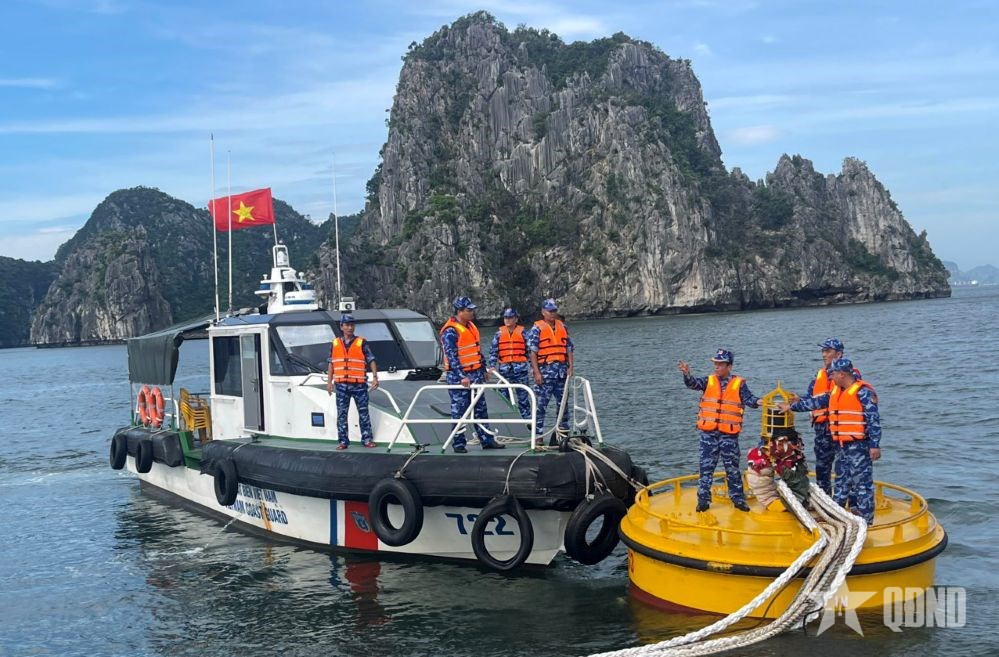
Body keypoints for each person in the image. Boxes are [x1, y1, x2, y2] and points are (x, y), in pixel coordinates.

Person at [780, 358, 882, 525]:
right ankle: (836, 517)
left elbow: (874, 421)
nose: (830, 377)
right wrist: (791, 407)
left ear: (842, 375)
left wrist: (874, 445)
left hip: (859, 446)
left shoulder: (863, 393)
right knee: (841, 482)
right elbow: (816, 402)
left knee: (862, 485)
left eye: (833, 374)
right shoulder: (835, 392)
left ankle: (866, 522)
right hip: (841, 446)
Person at [678, 349, 761, 512]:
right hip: (708, 435)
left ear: (729, 366)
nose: (716, 367)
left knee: (732, 469)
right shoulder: (708, 381)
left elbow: (749, 399)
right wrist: (687, 374)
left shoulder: (739, 384)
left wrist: (760, 401)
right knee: (706, 468)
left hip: (729, 436)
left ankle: (738, 499)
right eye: (715, 363)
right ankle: (703, 501)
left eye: (720, 364)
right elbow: (692, 384)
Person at [439, 296, 504, 453]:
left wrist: (483, 370)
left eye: (472, 310)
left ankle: (487, 440)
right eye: (469, 310)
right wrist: (462, 376)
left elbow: (476, 351)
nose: (472, 313)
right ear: (459, 311)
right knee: (459, 410)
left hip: (476, 373)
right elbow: (452, 357)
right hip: (459, 377)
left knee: (480, 408)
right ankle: (459, 443)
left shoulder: (471, 327)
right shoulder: (450, 331)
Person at [326, 314, 378, 450]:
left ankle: (367, 439)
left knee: (364, 413)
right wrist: (329, 382)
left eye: (352, 325)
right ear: (341, 327)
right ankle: (343, 441)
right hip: (341, 385)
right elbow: (331, 363)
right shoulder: (335, 343)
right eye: (347, 325)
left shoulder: (361, 342)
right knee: (341, 414)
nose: (350, 327)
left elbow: (371, 359)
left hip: (359, 385)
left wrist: (375, 377)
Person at [527, 298, 574, 442]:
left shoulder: (562, 327)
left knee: (563, 405)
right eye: (550, 311)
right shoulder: (537, 329)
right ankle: (538, 436)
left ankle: (562, 434)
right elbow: (532, 352)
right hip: (545, 373)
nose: (552, 313)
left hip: (561, 373)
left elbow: (569, 348)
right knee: (541, 405)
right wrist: (536, 372)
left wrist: (571, 367)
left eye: (554, 311)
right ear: (543, 312)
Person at [806, 338, 846, 495]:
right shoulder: (819, 374)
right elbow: (810, 397)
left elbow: (826, 399)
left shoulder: (848, 374)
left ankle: (844, 501)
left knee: (844, 467)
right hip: (822, 429)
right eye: (823, 351)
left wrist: (799, 405)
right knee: (822, 467)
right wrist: (796, 400)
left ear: (839, 354)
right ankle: (824, 499)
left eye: (828, 351)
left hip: (841, 429)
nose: (824, 354)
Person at [488, 307, 532, 420]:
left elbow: (530, 351)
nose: (507, 320)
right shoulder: (498, 334)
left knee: (523, 398)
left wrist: (533, 367)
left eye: (510, 317)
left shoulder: (523, 333)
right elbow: (493, 352)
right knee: (504, 397)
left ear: (516, 319)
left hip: (520, 370)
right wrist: (492, 366)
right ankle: (507, 420)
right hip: (504, 371)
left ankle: (526, 421)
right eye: (505, 317)